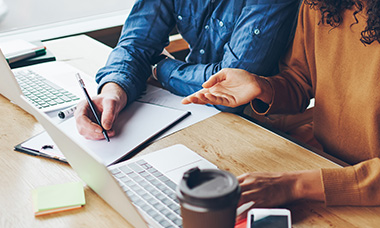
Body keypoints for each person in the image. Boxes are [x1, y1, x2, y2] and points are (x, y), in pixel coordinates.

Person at [182, 0, 380, 212]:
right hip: (329, 162)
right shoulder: (319, 4)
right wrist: (261, 86)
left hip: (363, 187)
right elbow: (299, 78)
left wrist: (295, 185)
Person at [75, 0, 302, 140]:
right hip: (190, 110)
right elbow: (137, 42)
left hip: (261, 124)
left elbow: (230, 87)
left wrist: (160, 68)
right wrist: (113, 90)